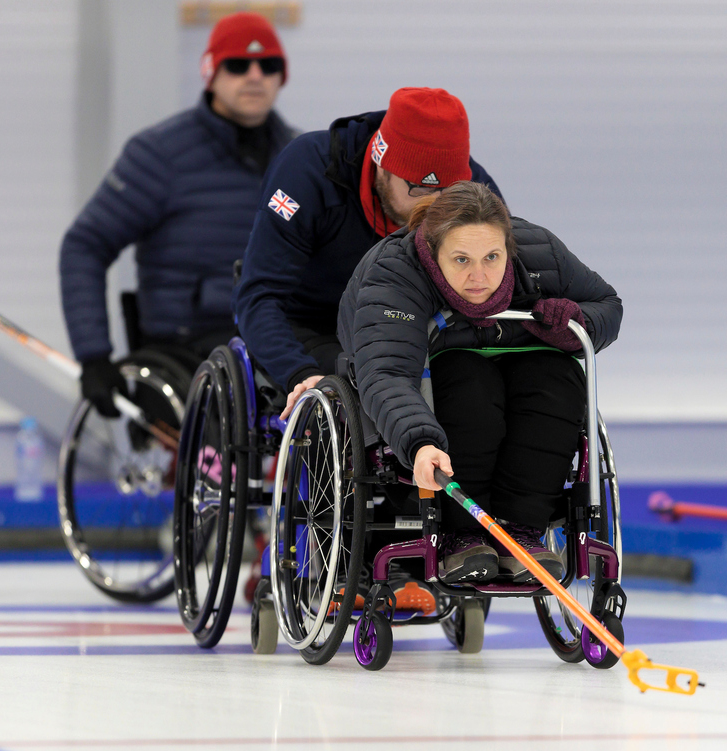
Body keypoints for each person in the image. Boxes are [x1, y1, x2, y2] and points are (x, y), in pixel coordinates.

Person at [337, 182, 623, 584]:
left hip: (524, 361)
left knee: (558, 378)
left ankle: (522, 530)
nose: (479, 276)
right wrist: (418, 441)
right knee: (470, 384)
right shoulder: (394, 272)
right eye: (461, 260)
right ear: (434, 254)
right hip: (440, 373)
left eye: (492, 257)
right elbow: (385, 371)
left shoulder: (541, 250)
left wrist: (574, 320)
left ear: (510, 247)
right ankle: (464, 533)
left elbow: (607, 305)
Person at [60, 12, 296, 418]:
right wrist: (94, 355)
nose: (255, 75)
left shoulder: (300, 157)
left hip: (276, 338)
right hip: (191, 347)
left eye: (269, 65)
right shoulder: (159, 155)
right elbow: (85, 245)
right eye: (238, 65)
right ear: (211, 72)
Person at [238, 87, 501, 408]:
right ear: (381, 163)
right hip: (314, 324)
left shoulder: (474, 191)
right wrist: (298, 371)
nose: (433, 205)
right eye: (419, 188)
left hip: (415, 327)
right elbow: (259, 295)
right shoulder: (306, 172)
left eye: (447, 190)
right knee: (363, 386)